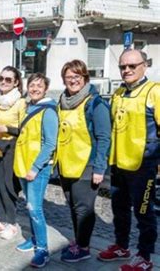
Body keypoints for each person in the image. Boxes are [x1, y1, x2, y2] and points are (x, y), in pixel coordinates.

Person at [98, 49, 159, 271]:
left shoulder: (155, 92)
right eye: (123, 66)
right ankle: (121, 246)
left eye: (132, 66)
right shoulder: (118, 92)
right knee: (119, 208)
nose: (127, 70)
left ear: (145, 65)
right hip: (118, 164)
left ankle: (145, 256)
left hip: (142, 165)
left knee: (144, 212)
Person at [56, 60, 111, 262]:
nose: (72, 81)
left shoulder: (95, 103)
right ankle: (79, 240)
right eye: (69, 77)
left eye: (77, 76)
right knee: (72, 206)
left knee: (83, 208)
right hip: (66, 164)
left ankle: (84, 247)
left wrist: (99, 168)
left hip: (86, 165)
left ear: (85, 78)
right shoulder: (62, 101)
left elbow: (104, 136)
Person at [14, 73, 58, 268]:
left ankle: (43, 249)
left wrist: (34, 168)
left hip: (36, 169)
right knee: (30, 207)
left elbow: (50, 144)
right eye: (32, 85)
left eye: (39, 86)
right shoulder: (28, 107)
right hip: (24, 165)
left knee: (35, 208)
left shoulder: (48, 111)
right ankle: (33, 239)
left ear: (46, 88)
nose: (35, 88)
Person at [0, 66, 25, 239]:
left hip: (11, 148)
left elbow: (24, 129)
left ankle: (12, 223)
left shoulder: (20, 102)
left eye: (8, 79)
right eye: (1, 78)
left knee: (9, 187)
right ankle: (1, 220)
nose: (3, 82)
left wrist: (6, 128)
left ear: (16, 82)